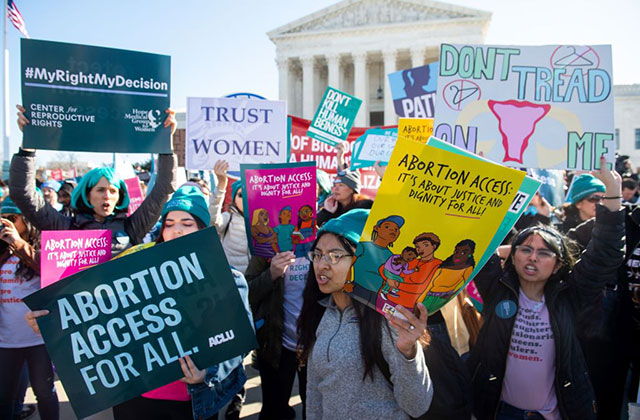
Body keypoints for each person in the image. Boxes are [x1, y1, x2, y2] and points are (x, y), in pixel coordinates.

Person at [27, 186, 252, 420]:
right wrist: (52, 322)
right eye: (169, 223)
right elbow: (96, 315)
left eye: (187, 224)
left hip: (192, 402)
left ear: (202, 229)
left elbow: (239, 341)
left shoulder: (227, 277)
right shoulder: (136, 270)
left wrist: (207, 373)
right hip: (135, 398)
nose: (176, 230)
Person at [467, 158, 624, 420]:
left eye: (543, 253)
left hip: (555, 413)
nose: (532, 258)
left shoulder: (570, 296)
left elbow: (605, 252)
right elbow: (475, 237)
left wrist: (612, 192)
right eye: (525, 250)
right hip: (500, 411)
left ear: (558, 264)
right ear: (512, 257)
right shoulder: (498, 289)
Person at [297, 209, 433, 420]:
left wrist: (409, 354)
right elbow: (315, 391)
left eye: (335, 256)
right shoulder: (321, 314)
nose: (321, 264)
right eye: (317, 255)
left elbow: (417, 406)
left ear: (360, 261)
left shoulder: (389, 321)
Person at [9, 105, 177, 256]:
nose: (107, 196)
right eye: (100, 190)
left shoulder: (131, 228)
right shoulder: (64, 227)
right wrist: (28, 146)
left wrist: (166, 143)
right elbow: (23, 194)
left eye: (113, 191)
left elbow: (163, 191)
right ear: (87, 195)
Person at [0, 197, 59, 420]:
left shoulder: (40, 248)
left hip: (38, 341)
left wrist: (17, 244)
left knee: (44, 394)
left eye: (12, 218)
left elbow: (48, 270)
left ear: (27, 220)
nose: (7, 223)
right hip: (6, 341)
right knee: (4, 396)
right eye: (3, 218)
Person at [209, 160, 250, 273]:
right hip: (233, 278)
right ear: (234, 199)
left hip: (255, 280)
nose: (246, 198)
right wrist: (221, 186)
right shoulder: (229, 217)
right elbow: (213, 220)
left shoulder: (264, 219)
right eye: (241, 195)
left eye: (250, 194)